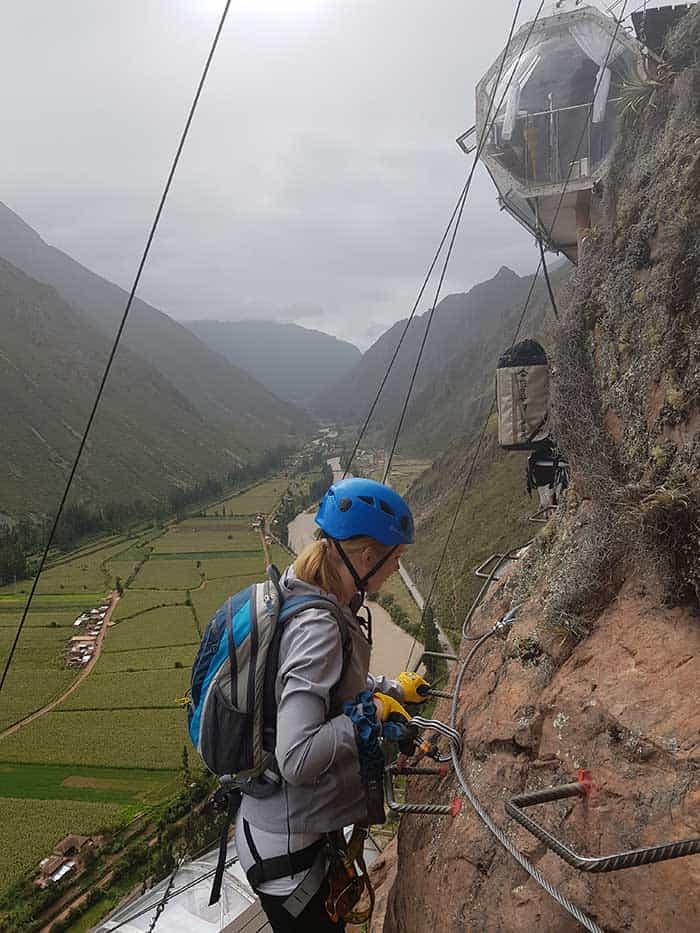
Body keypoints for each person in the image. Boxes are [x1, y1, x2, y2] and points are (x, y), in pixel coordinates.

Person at [236, 477, 429, 932]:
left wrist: (391, 689)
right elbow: (298, 757)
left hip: (282, 830)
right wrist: (371, 712)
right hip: (288, 855)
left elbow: (326, 690)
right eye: (394, 560)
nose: (394, 572)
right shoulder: (318, 627)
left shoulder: (302, 592)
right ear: (366, 558)